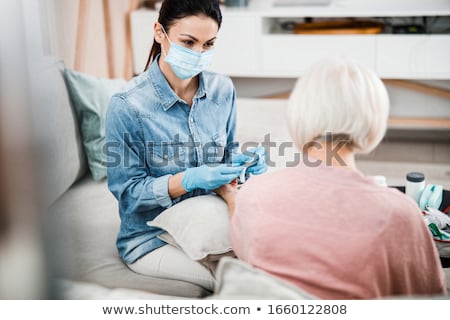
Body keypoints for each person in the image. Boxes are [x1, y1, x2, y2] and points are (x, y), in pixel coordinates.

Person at [215, 56, 447, 299]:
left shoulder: (256, 192)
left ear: (298, 114)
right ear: (374, 121)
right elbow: (428, 300)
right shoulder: (398, 213)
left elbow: (245, 249)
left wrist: (232, 197)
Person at [105, 0, 266, 292]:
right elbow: (127, 194)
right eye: (188, 42)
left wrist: (243, 165)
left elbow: (228, 151)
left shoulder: (222, 89)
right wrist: (187, 181)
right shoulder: (127, 105)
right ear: (159, 32)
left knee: (279, 263)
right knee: (247, 286)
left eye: (209, 44)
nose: (198, 54)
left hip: (209, 219)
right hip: (150, 239)